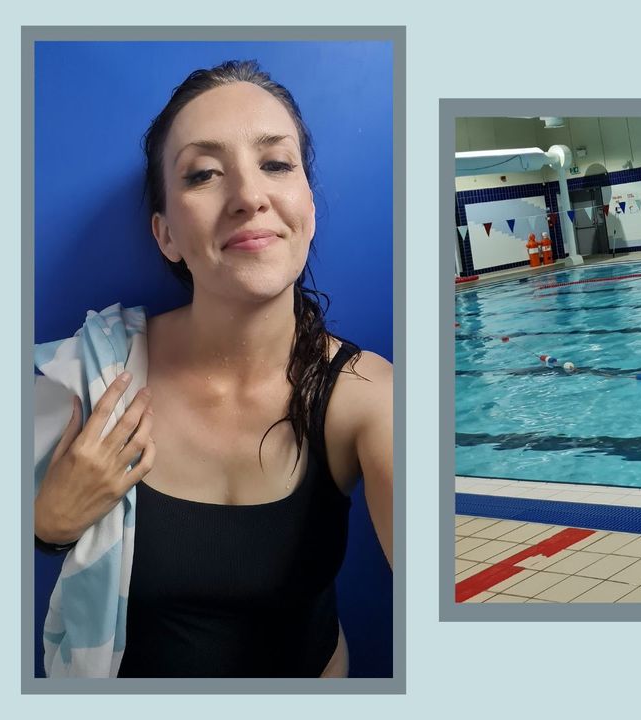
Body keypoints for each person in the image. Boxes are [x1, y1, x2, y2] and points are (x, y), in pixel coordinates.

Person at [33, 60, 393, 678]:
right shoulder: (93, 376)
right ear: (166, 234)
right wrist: (43, 523)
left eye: (276, 164)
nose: (250, 196)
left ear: (306, 202)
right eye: (203, 174)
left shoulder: (368, 397)